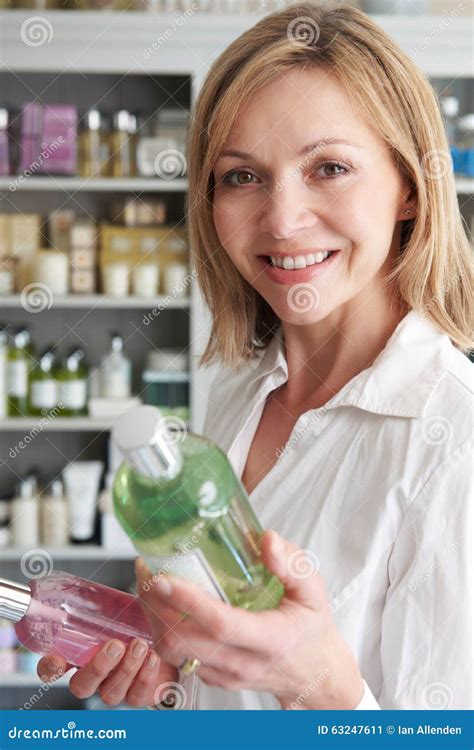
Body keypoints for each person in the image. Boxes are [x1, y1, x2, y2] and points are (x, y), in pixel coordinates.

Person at [38, 2, 473, 710]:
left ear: (410, 188)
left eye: (328, 167)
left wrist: (321, 685)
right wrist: (170, 683)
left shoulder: (455, 442)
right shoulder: (239, 390)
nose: (280, 219)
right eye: (242, 176)